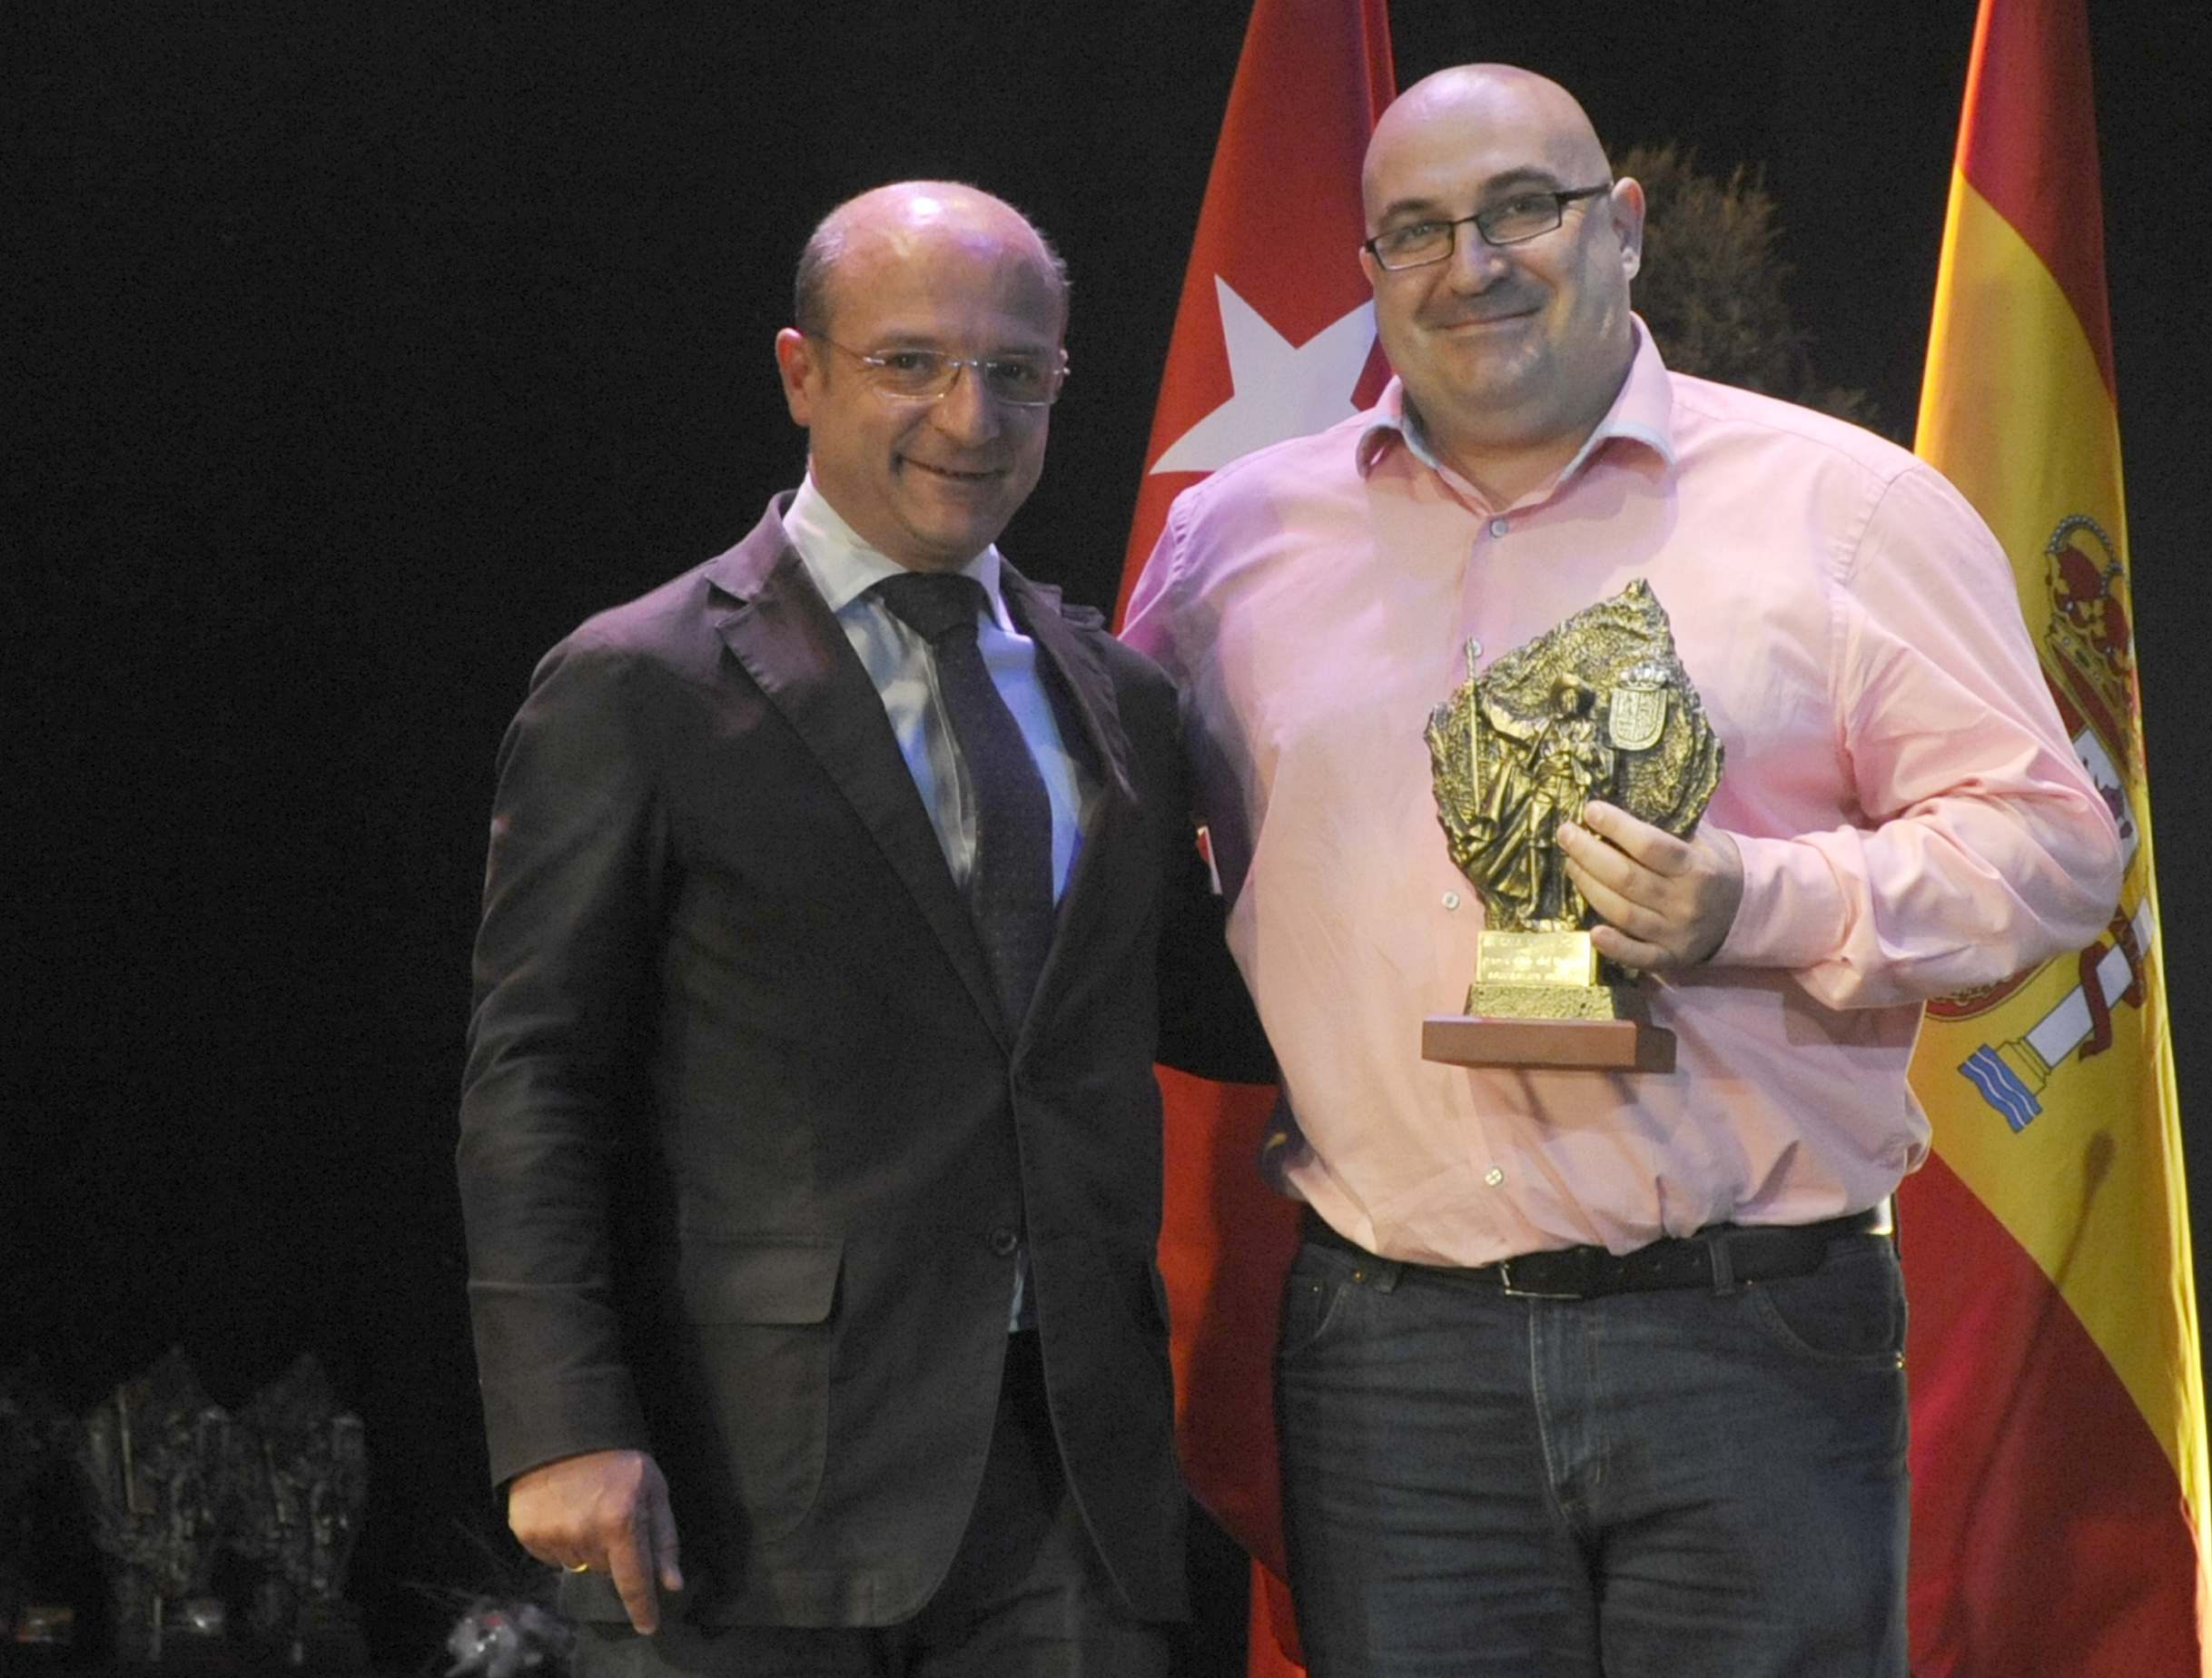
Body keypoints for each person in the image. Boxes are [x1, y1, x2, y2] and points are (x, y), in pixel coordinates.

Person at [1121, 66, 2125, 1678]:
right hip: (1392, 1354)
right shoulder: (1234, 543)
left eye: (1523, 207)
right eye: (1417, 230)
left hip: (1746, 1336)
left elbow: (2058, 849)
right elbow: (1110, 855)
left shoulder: (1846, 509)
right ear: (1370, 269)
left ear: (1624, 226)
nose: (1473, 263)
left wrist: (1756, 905)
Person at [457, 182, 1262, 1677]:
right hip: (748, 1490)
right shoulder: (637, 684)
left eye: (1015, 371)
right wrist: (563, 1425)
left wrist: (1494, 926)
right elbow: (536, 1082)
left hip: (1073, 1489)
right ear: (801, 372)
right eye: (911, 363)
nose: (970, 415)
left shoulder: (1122, 698)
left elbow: (1213, 1004)